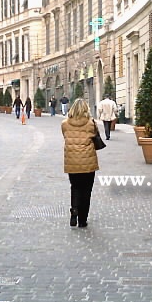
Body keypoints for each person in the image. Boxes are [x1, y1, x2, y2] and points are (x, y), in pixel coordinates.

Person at [61, 98, 99, 228]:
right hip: (88, 160)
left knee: (75, 187)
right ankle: (82, 220)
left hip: (72, 160)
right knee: (86, 190)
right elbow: (96, 137)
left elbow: (65, 137)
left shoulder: (64, 124)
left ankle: (74, 210)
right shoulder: (91, 123)